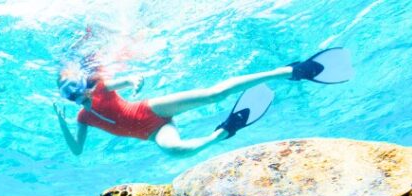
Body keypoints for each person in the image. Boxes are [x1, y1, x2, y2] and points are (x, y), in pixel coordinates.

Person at [55, 48, 353, 156]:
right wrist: (62, 122)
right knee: (175, 152)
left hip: (153, 108)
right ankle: (224, 131)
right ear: (69, 100)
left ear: (84, 84)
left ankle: (290, 71)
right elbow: (77, 151)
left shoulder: (102, 89)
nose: (80, 96)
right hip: (153, 133)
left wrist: (134, 81)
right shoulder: (82, 118)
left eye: (79, 89)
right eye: (73, 95)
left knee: (214, 94)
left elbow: (127, 82)